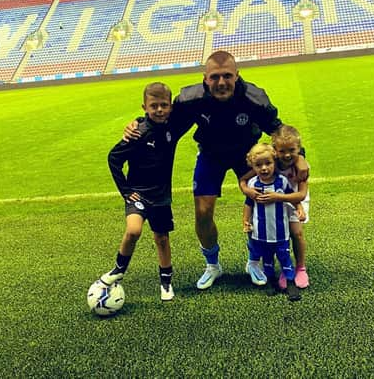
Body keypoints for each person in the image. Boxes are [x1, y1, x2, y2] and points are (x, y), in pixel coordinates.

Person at [124, 51, 309, 290]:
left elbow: (277, 128)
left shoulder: (255, 98)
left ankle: (254, 262)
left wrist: (300, 156)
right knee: (202, 211)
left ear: (237, 75)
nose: (221, 83)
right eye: (214, 77)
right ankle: (212, 265)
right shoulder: (190, 99)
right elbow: (164, 123)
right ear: (205, 78)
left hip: (248, 155)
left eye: (227, 76)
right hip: (211, 154)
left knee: (262, 205)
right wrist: (138, 123)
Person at [100, 82, 182, 301]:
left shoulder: (173, 128)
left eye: (164, 105)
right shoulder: (138, 132)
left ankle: (166, 282)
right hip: (138, 193)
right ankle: (118, 270)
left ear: (170, 107)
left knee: (162, 238)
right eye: (153, 105)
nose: (159, 110)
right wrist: (126, 191)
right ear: (144, 107)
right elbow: (114, 158)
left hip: (161, 196)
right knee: (133, 231)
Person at [240, 125, 310, 290]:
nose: (287, 155)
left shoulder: (302, 167)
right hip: (274, 203)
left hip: (292, 199)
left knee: (296, 232)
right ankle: (273, 268)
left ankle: (300, 268)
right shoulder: (271, 162)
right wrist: (246, 189)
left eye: (292, 150)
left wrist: (278, 197)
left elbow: (300, 194)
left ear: (299, 149)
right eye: (282, 151)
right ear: (275, 150)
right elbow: (244, 179)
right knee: (269, 231)